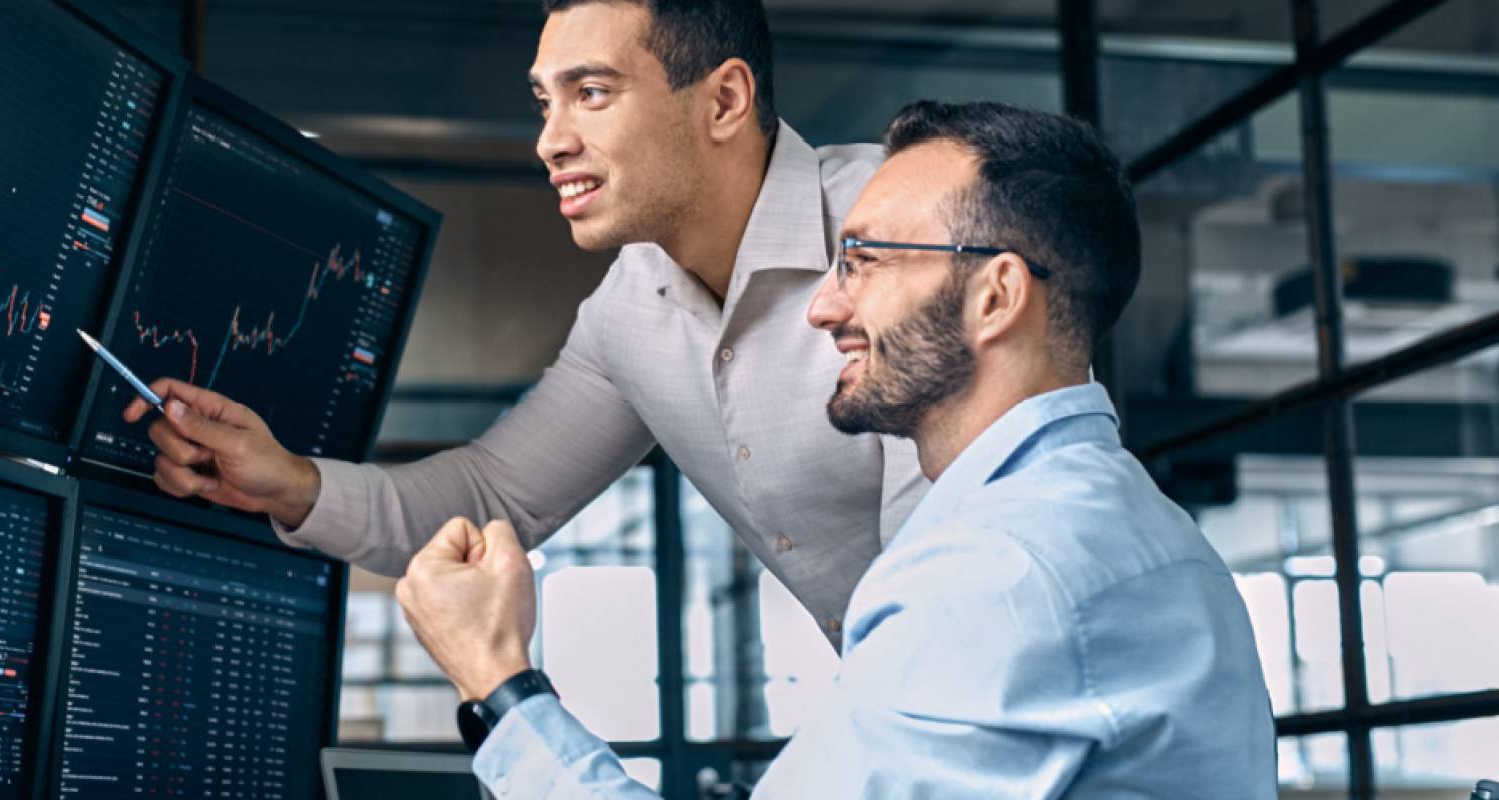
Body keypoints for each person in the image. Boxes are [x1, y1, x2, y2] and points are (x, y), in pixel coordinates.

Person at [394, 100, 1278, 798]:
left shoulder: (1003, 571)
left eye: (862, 259)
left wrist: (498, 682)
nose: (822, 308)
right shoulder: (1121, 527)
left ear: (997, 296)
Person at [126, 0, 927, 648]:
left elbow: (946, 575)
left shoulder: (905, 234)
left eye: (593, 93)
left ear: (723, 100)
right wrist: (289, 482)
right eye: (545, 100)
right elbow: (493, 493)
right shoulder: (627, 312)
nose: (550, 141)